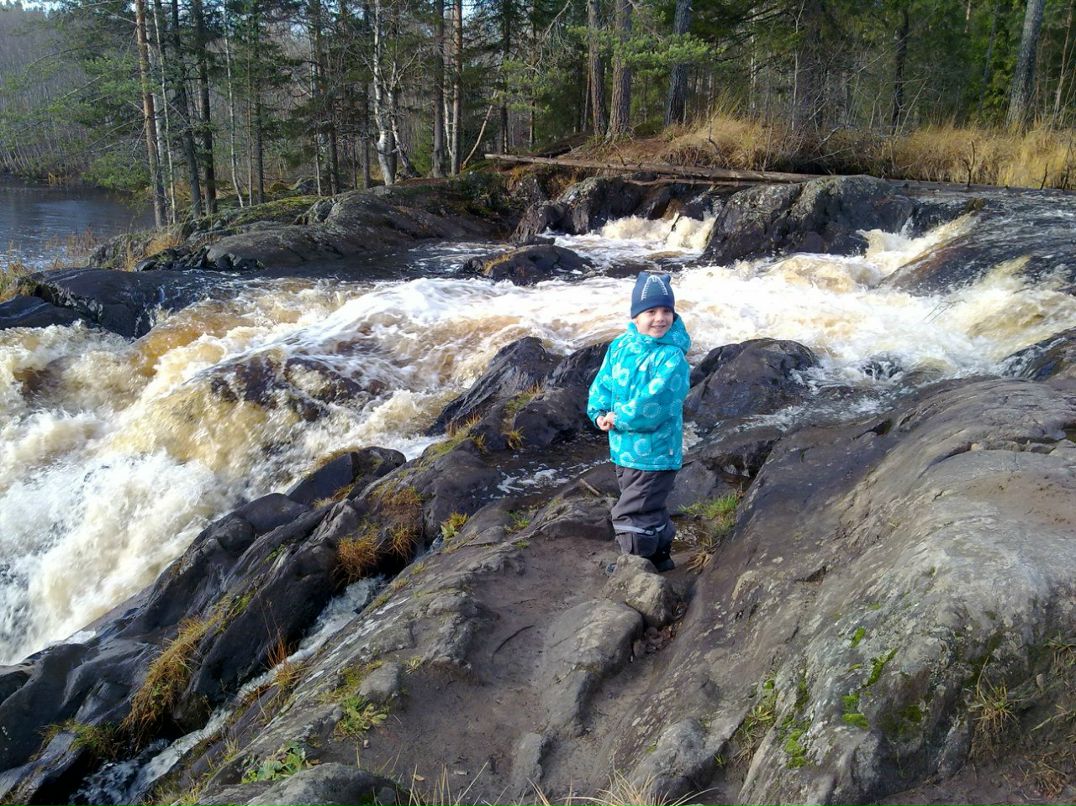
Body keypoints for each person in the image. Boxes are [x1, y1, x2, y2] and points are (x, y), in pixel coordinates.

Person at [587, 271, 691, 572]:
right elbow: (602, 384)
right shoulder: (620, 346)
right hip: (623, 449)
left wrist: (618, 418)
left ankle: (635, 566)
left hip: (656, 452)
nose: (660, 318)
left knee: (630, 512)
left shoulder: (672, 358)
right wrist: (598, 414)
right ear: (635, 317)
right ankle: (660, 558)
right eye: (651, 311)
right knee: (649, 506)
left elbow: (655, 403)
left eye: (666, 311)